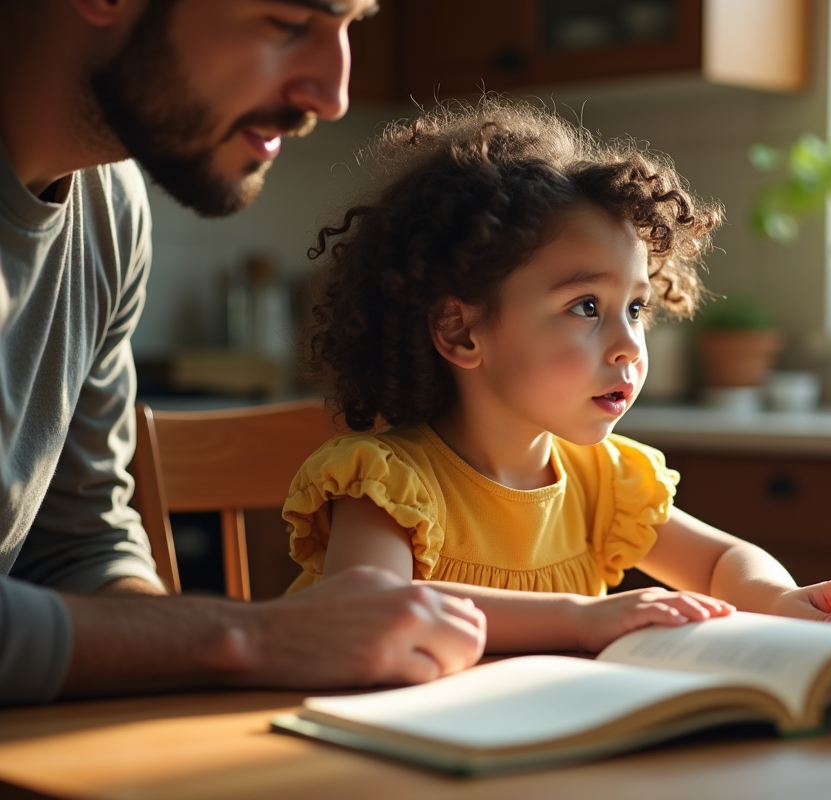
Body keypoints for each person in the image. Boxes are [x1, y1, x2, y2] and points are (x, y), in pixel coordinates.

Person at [0, 0, 486, 706]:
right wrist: (246, 638)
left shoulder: (112, 210)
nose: (334, 93)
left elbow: (78, 547)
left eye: (352, 27)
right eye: (289, 21)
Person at [283, 98, 831, 654]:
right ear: (461, 331)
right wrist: (580, 617)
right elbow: (373, 606)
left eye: (637, 308)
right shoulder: (389, 487)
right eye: (586, 307)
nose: (628, 346)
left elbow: (721, 561)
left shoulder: (604, 482)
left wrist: (778, 599)